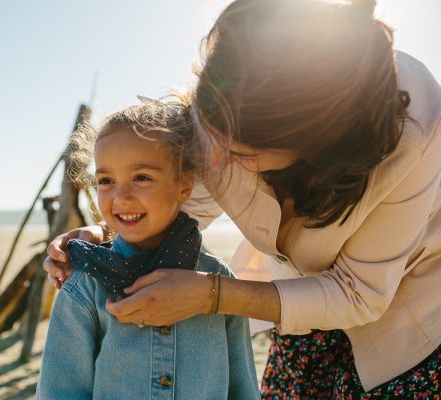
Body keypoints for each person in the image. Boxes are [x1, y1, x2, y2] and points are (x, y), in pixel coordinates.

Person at [45, 0, 441, 398]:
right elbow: (178, 199)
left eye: (241, 154)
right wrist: (104, 231)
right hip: (294, 305)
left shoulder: (414, 136)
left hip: (407, 313)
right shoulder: (84, 292)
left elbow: (358, 293)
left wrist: (215, 294)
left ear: (310, 147)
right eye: (211, 132)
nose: (212, 163)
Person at [36, 100, 260, 399]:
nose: (121, 196)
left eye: (141, 177)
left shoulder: (219, 281)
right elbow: (60, 392)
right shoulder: (83, 289)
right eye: (106, 180)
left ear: (184, 185)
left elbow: (243, 388)